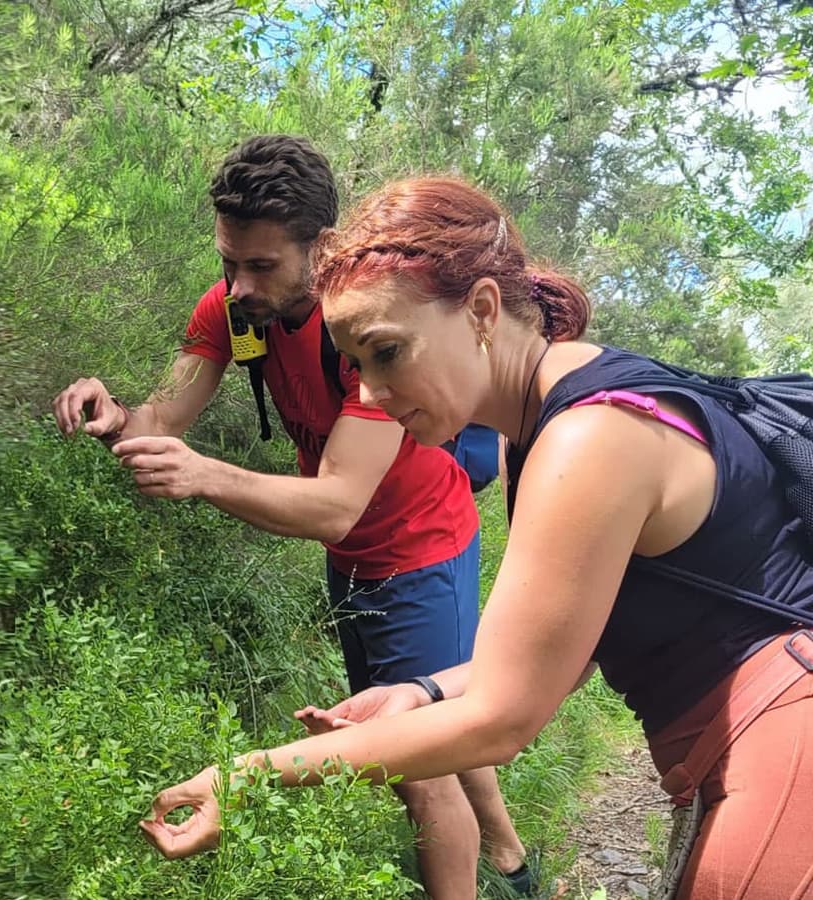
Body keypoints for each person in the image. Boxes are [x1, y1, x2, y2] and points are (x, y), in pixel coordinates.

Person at [138, 175, 813, 900]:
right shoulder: (554, 415)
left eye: (386, 352)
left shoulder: (588, 437)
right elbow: (568, 646)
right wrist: (424, 691)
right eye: (355, 366)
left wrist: (246, 776)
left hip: (782, 747)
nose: (365, 393)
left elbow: (500, 721)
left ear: (484, 309)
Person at [53, 138, 532, 898]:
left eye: (262, 266)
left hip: (422, 552)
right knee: (426, 722)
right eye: (228, 261)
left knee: (414, 768)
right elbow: (164, 417)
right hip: (355, 563)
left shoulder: (362, 333)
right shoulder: (230, 308)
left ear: (321, 249)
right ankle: (514, 866)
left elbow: (338, 505)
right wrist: (117, 417)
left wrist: (205, 475)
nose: (238, 285)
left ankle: (499, 875)